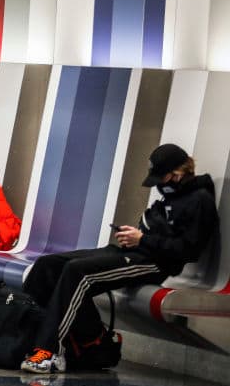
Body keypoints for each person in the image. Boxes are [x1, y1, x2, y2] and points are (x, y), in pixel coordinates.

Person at [21, 144, 219, 374]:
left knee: (78, 273)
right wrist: (132, 237)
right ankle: (38, 335)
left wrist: (142, 240)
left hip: (154, 263)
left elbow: (187, 251)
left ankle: (50, 352)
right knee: (49, 265)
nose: (158, 186)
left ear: (178, 173)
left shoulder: (200, 200)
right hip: (133, 252)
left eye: (161, 178)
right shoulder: (170, 197)